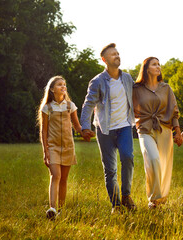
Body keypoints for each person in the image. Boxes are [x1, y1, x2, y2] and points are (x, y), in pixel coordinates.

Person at [80, 43, 136, 213]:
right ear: (104, 59)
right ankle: (116, 205)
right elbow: (88, 105)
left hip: (125, 126)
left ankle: (126, 196)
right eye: (113, 54)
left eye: (118, 53)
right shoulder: (97, 81)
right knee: (110, 169)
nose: (117, 56)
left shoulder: (127, 78)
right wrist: (84, 126)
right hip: (104, 130)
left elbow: (139, 96)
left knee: (127, 157)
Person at [38, 76, 93, 219]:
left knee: (64, 179)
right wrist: (45, 151)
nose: (63, 87)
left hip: (68, 147)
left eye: (64, 84)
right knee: (55, 175)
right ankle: (52, 208)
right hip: (53, 147)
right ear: (52, 89)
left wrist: (85, 133)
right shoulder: (47, 108)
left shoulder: (70, 106)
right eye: (59, 85)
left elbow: (77, 126)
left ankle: (61, 211)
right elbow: (43, 131)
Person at [133, 57, 182, 209]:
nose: (158, 66)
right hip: (145, 129)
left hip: (164, 129)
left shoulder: (166, 88)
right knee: (153, 159)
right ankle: (154, 199)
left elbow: (174, 111)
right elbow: (128, 107)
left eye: (159, 64)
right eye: (154, 64)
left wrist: (178, 131)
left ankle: (160, 201)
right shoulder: (136, 89)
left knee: (164, 165)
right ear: (146, 68)